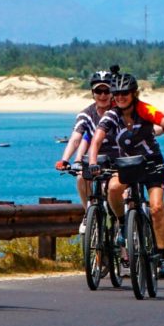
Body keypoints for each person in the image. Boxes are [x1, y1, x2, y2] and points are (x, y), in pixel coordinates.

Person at [86, 68, 164, 279]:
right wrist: (92, 161)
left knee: (156, 208)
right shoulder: (112, 115)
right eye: (117, 94)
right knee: (113, 188)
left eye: (125, 93)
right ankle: (122, 224)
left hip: (151, 164)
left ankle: (162, 255)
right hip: (128, 165)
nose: (120, 98)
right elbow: (96, 139)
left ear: (134, 94)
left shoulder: (144, 110)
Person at [55, 69, 117, 233]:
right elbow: (76, 138)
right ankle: (89, 212)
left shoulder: (120, 112)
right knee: (81, 178)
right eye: (98, 91)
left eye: (106, 91)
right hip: (95, 160)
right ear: (92, 93)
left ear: (112, 93)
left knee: (119, 196)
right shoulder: (86, 114)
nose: (102, 95)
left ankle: (124, 235)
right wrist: (65, 160)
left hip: (118, 160)